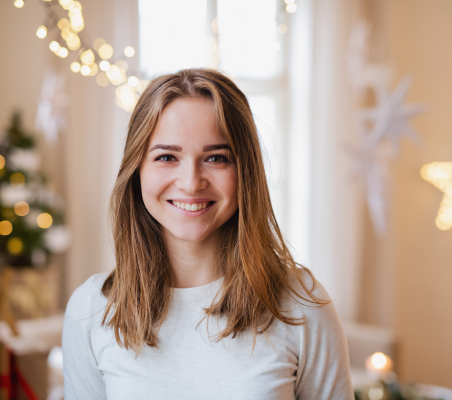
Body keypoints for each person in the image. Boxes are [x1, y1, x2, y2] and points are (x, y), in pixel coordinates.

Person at [62, 68, 354, 399]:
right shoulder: (91, 310)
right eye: (167, 157)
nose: (191, 181)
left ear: (245, 171)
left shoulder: (302, 305)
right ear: (137, 171)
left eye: (216, 157)